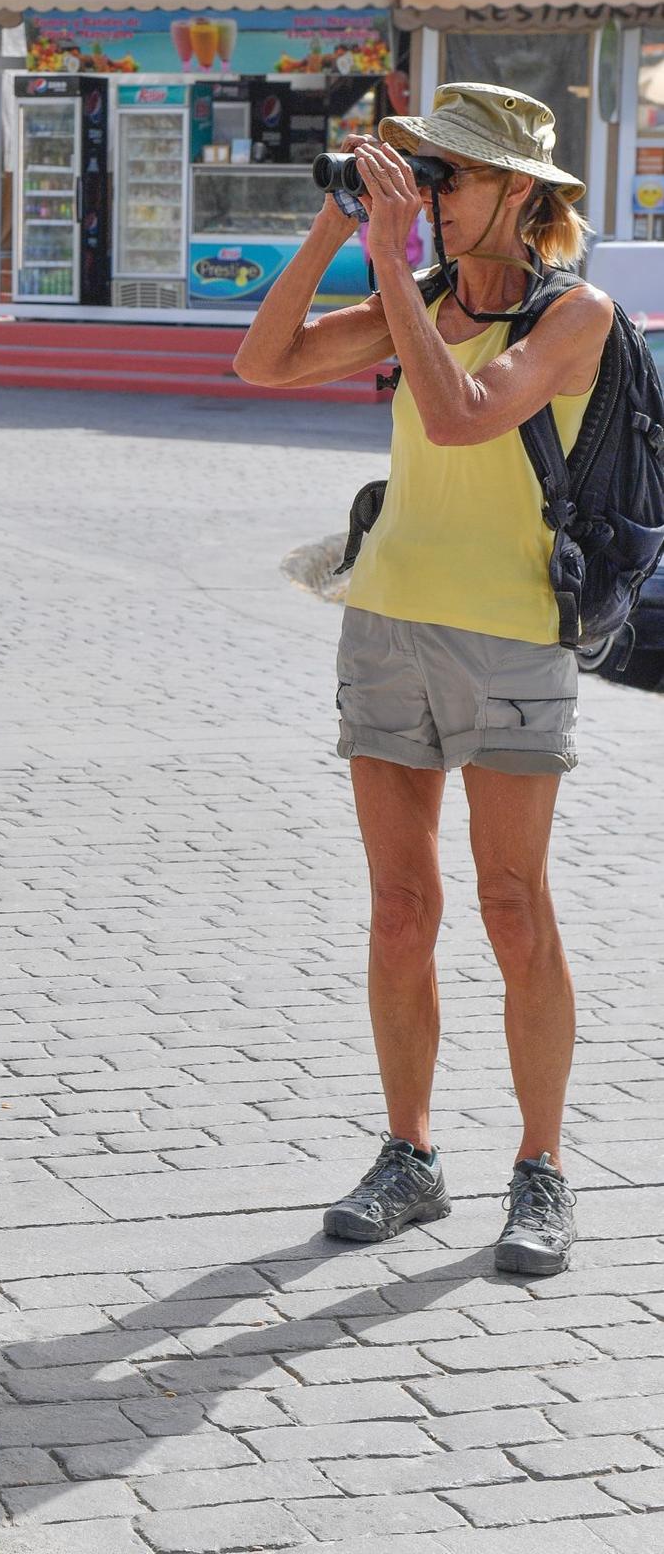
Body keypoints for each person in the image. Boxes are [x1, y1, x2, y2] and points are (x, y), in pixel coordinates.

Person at [235, 83, 614, 1276]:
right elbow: (261, 362)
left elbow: (457, 420)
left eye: (448, 177)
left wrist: (395, 269)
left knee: (512, 908)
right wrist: (337, 227)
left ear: (517, 192)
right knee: (400, 909)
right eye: (420, 173)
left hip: (511, 634)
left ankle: (540, 1167)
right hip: (387, 621)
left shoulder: (576, 315)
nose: (431, 195)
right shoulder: (424, 293)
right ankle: (408, 1154)